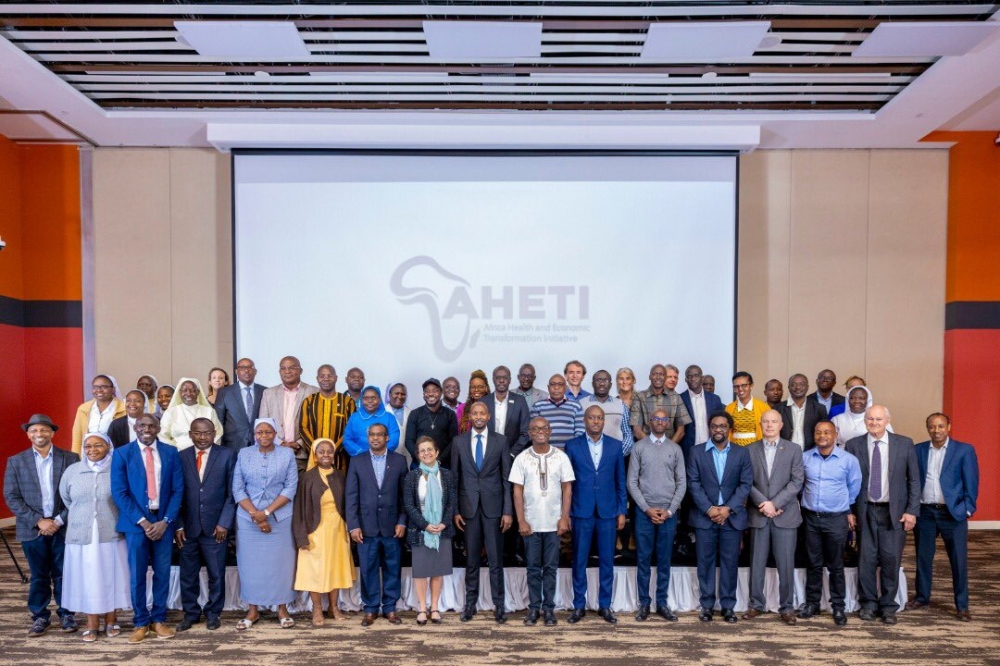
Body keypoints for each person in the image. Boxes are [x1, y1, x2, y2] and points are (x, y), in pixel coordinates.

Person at [3, 414, 80, 637]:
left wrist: (58, 520)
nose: (40, 434)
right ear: (28, 435)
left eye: (44, 430)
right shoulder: (16, 461)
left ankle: (67, 614)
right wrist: (38, 521)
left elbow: (76, 494)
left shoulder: (70, 458)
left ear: (52, 433)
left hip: (63, 526)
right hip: (32, 528)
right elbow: (12, 497)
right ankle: (40, 616)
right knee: (39, 575)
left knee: (64, 573)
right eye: (34, 430)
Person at [110, 413, 182, 643]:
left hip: (163, 522)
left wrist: (166, 521)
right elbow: (119, 492)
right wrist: (143, 521)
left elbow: (178, 490)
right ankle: (140, 622)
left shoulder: (171, 452)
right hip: (136, 524)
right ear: (135, 427)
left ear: (158, 428)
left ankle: (158, 620)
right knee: (137, 574)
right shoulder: (122, 453)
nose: (147, 429)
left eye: (152, 425)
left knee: (163, 573)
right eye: (142, 425)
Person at [845, 405, 920, 625]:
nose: (874, 423)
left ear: (887, 420)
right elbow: (847, 481)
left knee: (891, 559)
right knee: (866, 559)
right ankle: (868, 604)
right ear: (865, 421)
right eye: (870, 419)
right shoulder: (853, 445)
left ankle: (888, 606)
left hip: (894, 512)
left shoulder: (904, 444)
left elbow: (914, 480)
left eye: (879, 419)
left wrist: (911, 511)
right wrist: (849, 511)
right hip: (865, 510)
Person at [907, 413, 979, 621]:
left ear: (949, 427)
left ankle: (962, 605)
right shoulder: (918, 450)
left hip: (952, 514)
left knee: (958, 560)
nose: (936, 430)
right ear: (927, 428)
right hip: (925, 513)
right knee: (923, 557)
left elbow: (971, 482)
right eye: (932, 427)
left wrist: (967, 509)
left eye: (940, 426)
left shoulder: (964, 450)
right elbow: (912, 480)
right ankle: (922, 597)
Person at [58, 432, 129, 642]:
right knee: (87, 578)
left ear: (108, 447)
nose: (92, 450)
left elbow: (125, 497)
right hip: (81, 535)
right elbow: (67, 499)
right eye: (88, 446)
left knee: (111, 577)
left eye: (98, 445)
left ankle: (111, 619)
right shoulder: (73, 471)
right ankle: (91, 623)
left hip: (112, 533)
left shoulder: (118, 469)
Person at [232, 418, 298, 630]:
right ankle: (252, 610)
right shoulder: (244, 454)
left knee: (282, 565)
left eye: (268, 432)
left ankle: (282, 609)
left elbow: (290, 488)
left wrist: (266, 513)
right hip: (248, 519)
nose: (264, 436)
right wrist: (256, 515)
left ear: (275, 433)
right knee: (250, 565)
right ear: (254, 435)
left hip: (280, 518)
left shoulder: (287, 454)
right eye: (259, 432)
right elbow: (238, 489)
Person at [687, 411, 753, 623]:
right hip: (704, 517)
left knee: (729, 563)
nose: (718, 429)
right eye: (714, 426)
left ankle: (728, 606)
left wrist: (727, 509)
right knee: (705, 563)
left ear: (730, 429)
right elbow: (693, 483)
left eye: (723, 426)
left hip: (731, 518)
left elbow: (745, 485)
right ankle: (706, 606)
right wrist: (709, 509)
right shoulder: (696, 452)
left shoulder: (741, 453)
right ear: (709, 428)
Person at [509, 417, 574, 627]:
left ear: (550, 431)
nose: (540, 431)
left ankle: (549, 609)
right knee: (533, 568)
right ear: (529, 433)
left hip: (554, 524)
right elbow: (517, 491)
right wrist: (521, 520)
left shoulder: (561, 457)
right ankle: (534, 608)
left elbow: (567, 488)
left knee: (551, 568)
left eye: (544, 428)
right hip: (531, 524)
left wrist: (564, 517)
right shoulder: (522, 458)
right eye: (535, 429)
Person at [565, 406, 627, 625]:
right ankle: (578, 606)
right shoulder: (572, 445)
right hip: (581, 510)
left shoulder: (615, 445)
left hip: (608, 511)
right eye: (591, 417)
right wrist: (566, 513)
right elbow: (567, 483)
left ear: (604, 421)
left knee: (607, 560)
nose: (596, 421)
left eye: (599, 418)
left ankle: (605, 605)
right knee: (579, 560)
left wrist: (621, 510)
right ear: (585, 420)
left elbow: (620, 481)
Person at [451, 401, 512, 623]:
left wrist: (507, 511)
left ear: (488, 416)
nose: (478, 416)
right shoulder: (458, 442)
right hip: (468, 509)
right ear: (469, 417)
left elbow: (506, 478)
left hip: (494, 508)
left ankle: (499, 605)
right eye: (474, 413)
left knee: (495, 560)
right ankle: (470, 604)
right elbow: (455, 478)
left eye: (482, 413)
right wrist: (455, 510)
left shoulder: (501, 441)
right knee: (472, 560)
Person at [797, 420, 862, 626]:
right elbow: (800, 485)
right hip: (811, 518)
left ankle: (838, 606)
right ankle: (812, 604)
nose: (822, 436)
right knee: (813, 564)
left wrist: (846, 508)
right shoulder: (805, 457)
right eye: (818, 432)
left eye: (827, 432)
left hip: (836, 519)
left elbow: (854, 488)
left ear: (835, 435)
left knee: (836, 565)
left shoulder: (848, 460)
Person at [174, 418, 235, 632]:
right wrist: (178, 525)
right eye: (198, 433)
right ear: (190, 434)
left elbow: (232, 493)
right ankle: (191, 613)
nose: (202, 437)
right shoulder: (180, 456)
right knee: (187, 574)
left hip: (216, 527)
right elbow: (174, 493)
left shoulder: (227, 455)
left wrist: (224, 523)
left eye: (207, 433)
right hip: (187, 528)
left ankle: (213, 613)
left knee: (216, 573)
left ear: (214, 433)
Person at [743, 410, 804, 625]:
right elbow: (746, 481)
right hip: (759, 514)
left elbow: (797, 482)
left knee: (785, 564)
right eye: (766, 421)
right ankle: (755, 604)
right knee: (757, 562)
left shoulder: (794, 449)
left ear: (781, 425)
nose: (769, 425)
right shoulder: (749, 450)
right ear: (760, 425)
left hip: (784, 515)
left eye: (773, 421)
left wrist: (775, 504)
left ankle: (786, 607)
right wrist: (764, 504)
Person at [346, 423, 409, 626]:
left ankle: (390, 608)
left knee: (393, 568)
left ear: (387, 437)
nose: (375, 438)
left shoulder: (399, 461)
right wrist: (354, 525)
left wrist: (402, 521)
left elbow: (405, 496)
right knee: (368, 569)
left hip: (392, 526)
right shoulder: (357, 461)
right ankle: (371, 608)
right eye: (372, 435)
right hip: (366, 527)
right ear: (368, 437)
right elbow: (351, 496)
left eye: (379, 434)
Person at [628, 408, 686, 622]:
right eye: (656, 419)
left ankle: (662, 603)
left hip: (668, 514)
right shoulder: (639, 447)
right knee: (643, 559)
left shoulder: (675, 449)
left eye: (664, 419)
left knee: (664, 560)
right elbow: (632, 482)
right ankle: (644, 603)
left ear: (668, 423)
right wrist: (646, 508)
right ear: (649, 422)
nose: (660, 422)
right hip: (644, 512)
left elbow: (682, 483)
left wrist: (670, 510)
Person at [293, 439, 354, 626]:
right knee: (315, 570)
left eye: (329, 451)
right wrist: (301, 537)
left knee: (335, 568)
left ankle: (333, 607)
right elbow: (299, 509)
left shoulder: (340, 476)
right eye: (321, 451)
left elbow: (348, 504)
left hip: (337, 529)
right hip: (314, 530)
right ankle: (317, 608)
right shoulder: (307, 478)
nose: (326, 455)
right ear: (315, 455)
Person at [403, 437, 457, 626]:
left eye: (429, 449)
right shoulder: (412, 476)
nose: (426, 453)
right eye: (422, 451)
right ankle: (421, 608)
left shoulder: (447, 475)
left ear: (437, 452)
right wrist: (425, 525)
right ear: (418, 455)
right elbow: (409, 505)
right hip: (421, 531)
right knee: (421, 572)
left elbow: (451, 503)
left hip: (442, 530)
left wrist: (443, 523)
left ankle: (434, 608)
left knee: (437, 571)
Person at [259, 356, 319, 474]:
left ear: (300, 370)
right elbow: (263, 425)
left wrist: (299, 444)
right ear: (279, 372)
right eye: (283, 368)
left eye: (292, 368)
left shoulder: (314, 392)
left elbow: (317, 424)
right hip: (275, 453)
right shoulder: (268, 393)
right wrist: (280, 444)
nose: (287, 371)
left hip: (303, 454)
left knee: (302, 486)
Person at [300, 364, 357, 471]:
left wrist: (334, 449)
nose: (326, 379)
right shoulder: (309, 401)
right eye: (322, 376)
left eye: (329, 375)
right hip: (314, 457)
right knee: (315, 481)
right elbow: (303, 428)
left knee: (338, 481)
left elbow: (351, 429)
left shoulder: (347, 402)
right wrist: (316, 449)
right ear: (317, 379)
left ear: (336, 378)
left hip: (340, 458)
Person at [405, 378, 459, 471]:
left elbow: (453, 442)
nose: (430, 394)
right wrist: (421, 459)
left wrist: (439, 461)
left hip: (443, 465)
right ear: (423, 394)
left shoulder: (450, 414)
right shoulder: (415, 414)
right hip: (419, 464)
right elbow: (409, 441)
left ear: (441, 393)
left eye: (435, 391)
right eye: (427, 391)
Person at [629, 364, 690, 445]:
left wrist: (667, 448)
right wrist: (653, 447)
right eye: (655, 374)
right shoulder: (639, 397)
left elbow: (681, 431)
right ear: (649, 377)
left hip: (669, 449)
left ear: (665, 377)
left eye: (661, 374)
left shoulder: (676, 397)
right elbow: (637, 430)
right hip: (646, 449)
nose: (658, 377)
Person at [214, 358, 266, 451]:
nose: (246, 370)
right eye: (242, 368)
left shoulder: (265, 391)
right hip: (232, 446)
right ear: (236, 371)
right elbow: (218, 422)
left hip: (259, 445)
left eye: (250, 367)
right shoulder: (224, 392)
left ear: (255, 371)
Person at [159, 378, 224, 451]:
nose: (188, 394)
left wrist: (205, 450)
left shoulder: (209, 411)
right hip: (177, 453)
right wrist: (175, 450)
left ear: (198, 392)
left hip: (205, 453)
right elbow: (163, 436)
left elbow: (218, 433)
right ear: (180, 393)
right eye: (185, 390)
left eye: (192, 390)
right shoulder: (170, 412)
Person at [480, 365, 531, 458]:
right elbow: (478, 430)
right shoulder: (483, 402)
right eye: (498, 377)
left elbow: (526, 432)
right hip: (487, 456)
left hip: (512, 456)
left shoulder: (520, 401)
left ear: (510, 380)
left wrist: (512, 453)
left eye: (505, 378)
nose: (501, 380)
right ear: (493, 380)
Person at [580, 370, 634, 454]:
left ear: (611, 385)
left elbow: (627, 434)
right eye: (598, 380)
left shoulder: (621, 405)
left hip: (617, 456)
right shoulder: (581, 404)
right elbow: (578, 433)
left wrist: (617, 454)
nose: (602, 383)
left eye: (605, 380)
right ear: (593, 384)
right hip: (587, 456)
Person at [679, 365, 724, 462]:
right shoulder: (680, 399)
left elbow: (721, 425)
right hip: (688, 451)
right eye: (689, 376)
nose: (693, 379)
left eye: (696, 375)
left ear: (702, 378)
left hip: (711, 449)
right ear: (686, 380)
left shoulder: (715, 399)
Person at [71, 374, 126, 454]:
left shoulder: (123, 409)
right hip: (89, 455)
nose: (99, 390)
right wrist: (75, 458)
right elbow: (77, 439)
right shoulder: (83, 409)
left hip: (113, 455)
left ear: (113, 389)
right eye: (95, 387)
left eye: (104, 387)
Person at [343, 386, 401, 458]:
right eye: (366, 398)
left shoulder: (389, 417)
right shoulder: (354, 417)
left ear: (379, 399)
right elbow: (347, 439)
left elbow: (394, 439)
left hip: (384, 458)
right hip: (360, 458)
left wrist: (380, 454)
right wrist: (362, 454)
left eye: (373, 398)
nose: (370, 401)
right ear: (361, 400)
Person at [529, 374, 584, 448]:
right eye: (553, 384)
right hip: (544, 451)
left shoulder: (576, 406)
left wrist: (570, 449)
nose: (556, 387)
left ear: (566, 388)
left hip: (569, 451)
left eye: (560, 384)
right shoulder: (537, 406)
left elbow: (580, 432)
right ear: (548, 387)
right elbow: (533, 432)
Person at [779, 374, 828, 451]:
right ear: (789, 387)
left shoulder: (819, 408)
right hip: (785, 453)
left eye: (801, 384)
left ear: (807, 387)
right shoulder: (779, 408)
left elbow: (824, 432)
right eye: (793, 384)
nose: (798, 387)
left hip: (811, 453)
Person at [724, 371, 769, 446]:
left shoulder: (763, 407)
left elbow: (769, 430)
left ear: (751, 385)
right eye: (736, 386)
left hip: (757, 449)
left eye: (744, 385)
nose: (740, 389)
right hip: (735, 449)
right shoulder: (729, 408)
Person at [386, 383, 412, 467]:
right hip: (388, 456)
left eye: (403, 394)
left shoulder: (411, 413)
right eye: (396, 393)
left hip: (408, 456)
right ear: (390, 395)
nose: (400, 396)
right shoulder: (382, 413)